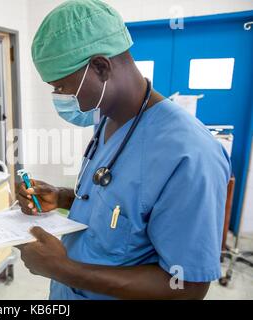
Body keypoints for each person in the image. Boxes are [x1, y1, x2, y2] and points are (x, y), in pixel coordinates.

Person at [16, 0, 231, 300]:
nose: (58, 96)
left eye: (62, 86)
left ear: (101, 67)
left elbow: (187, 288)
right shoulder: (107, 118)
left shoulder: (189, 154)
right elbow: (119, 202)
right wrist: (62, 196)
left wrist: (64, 270)